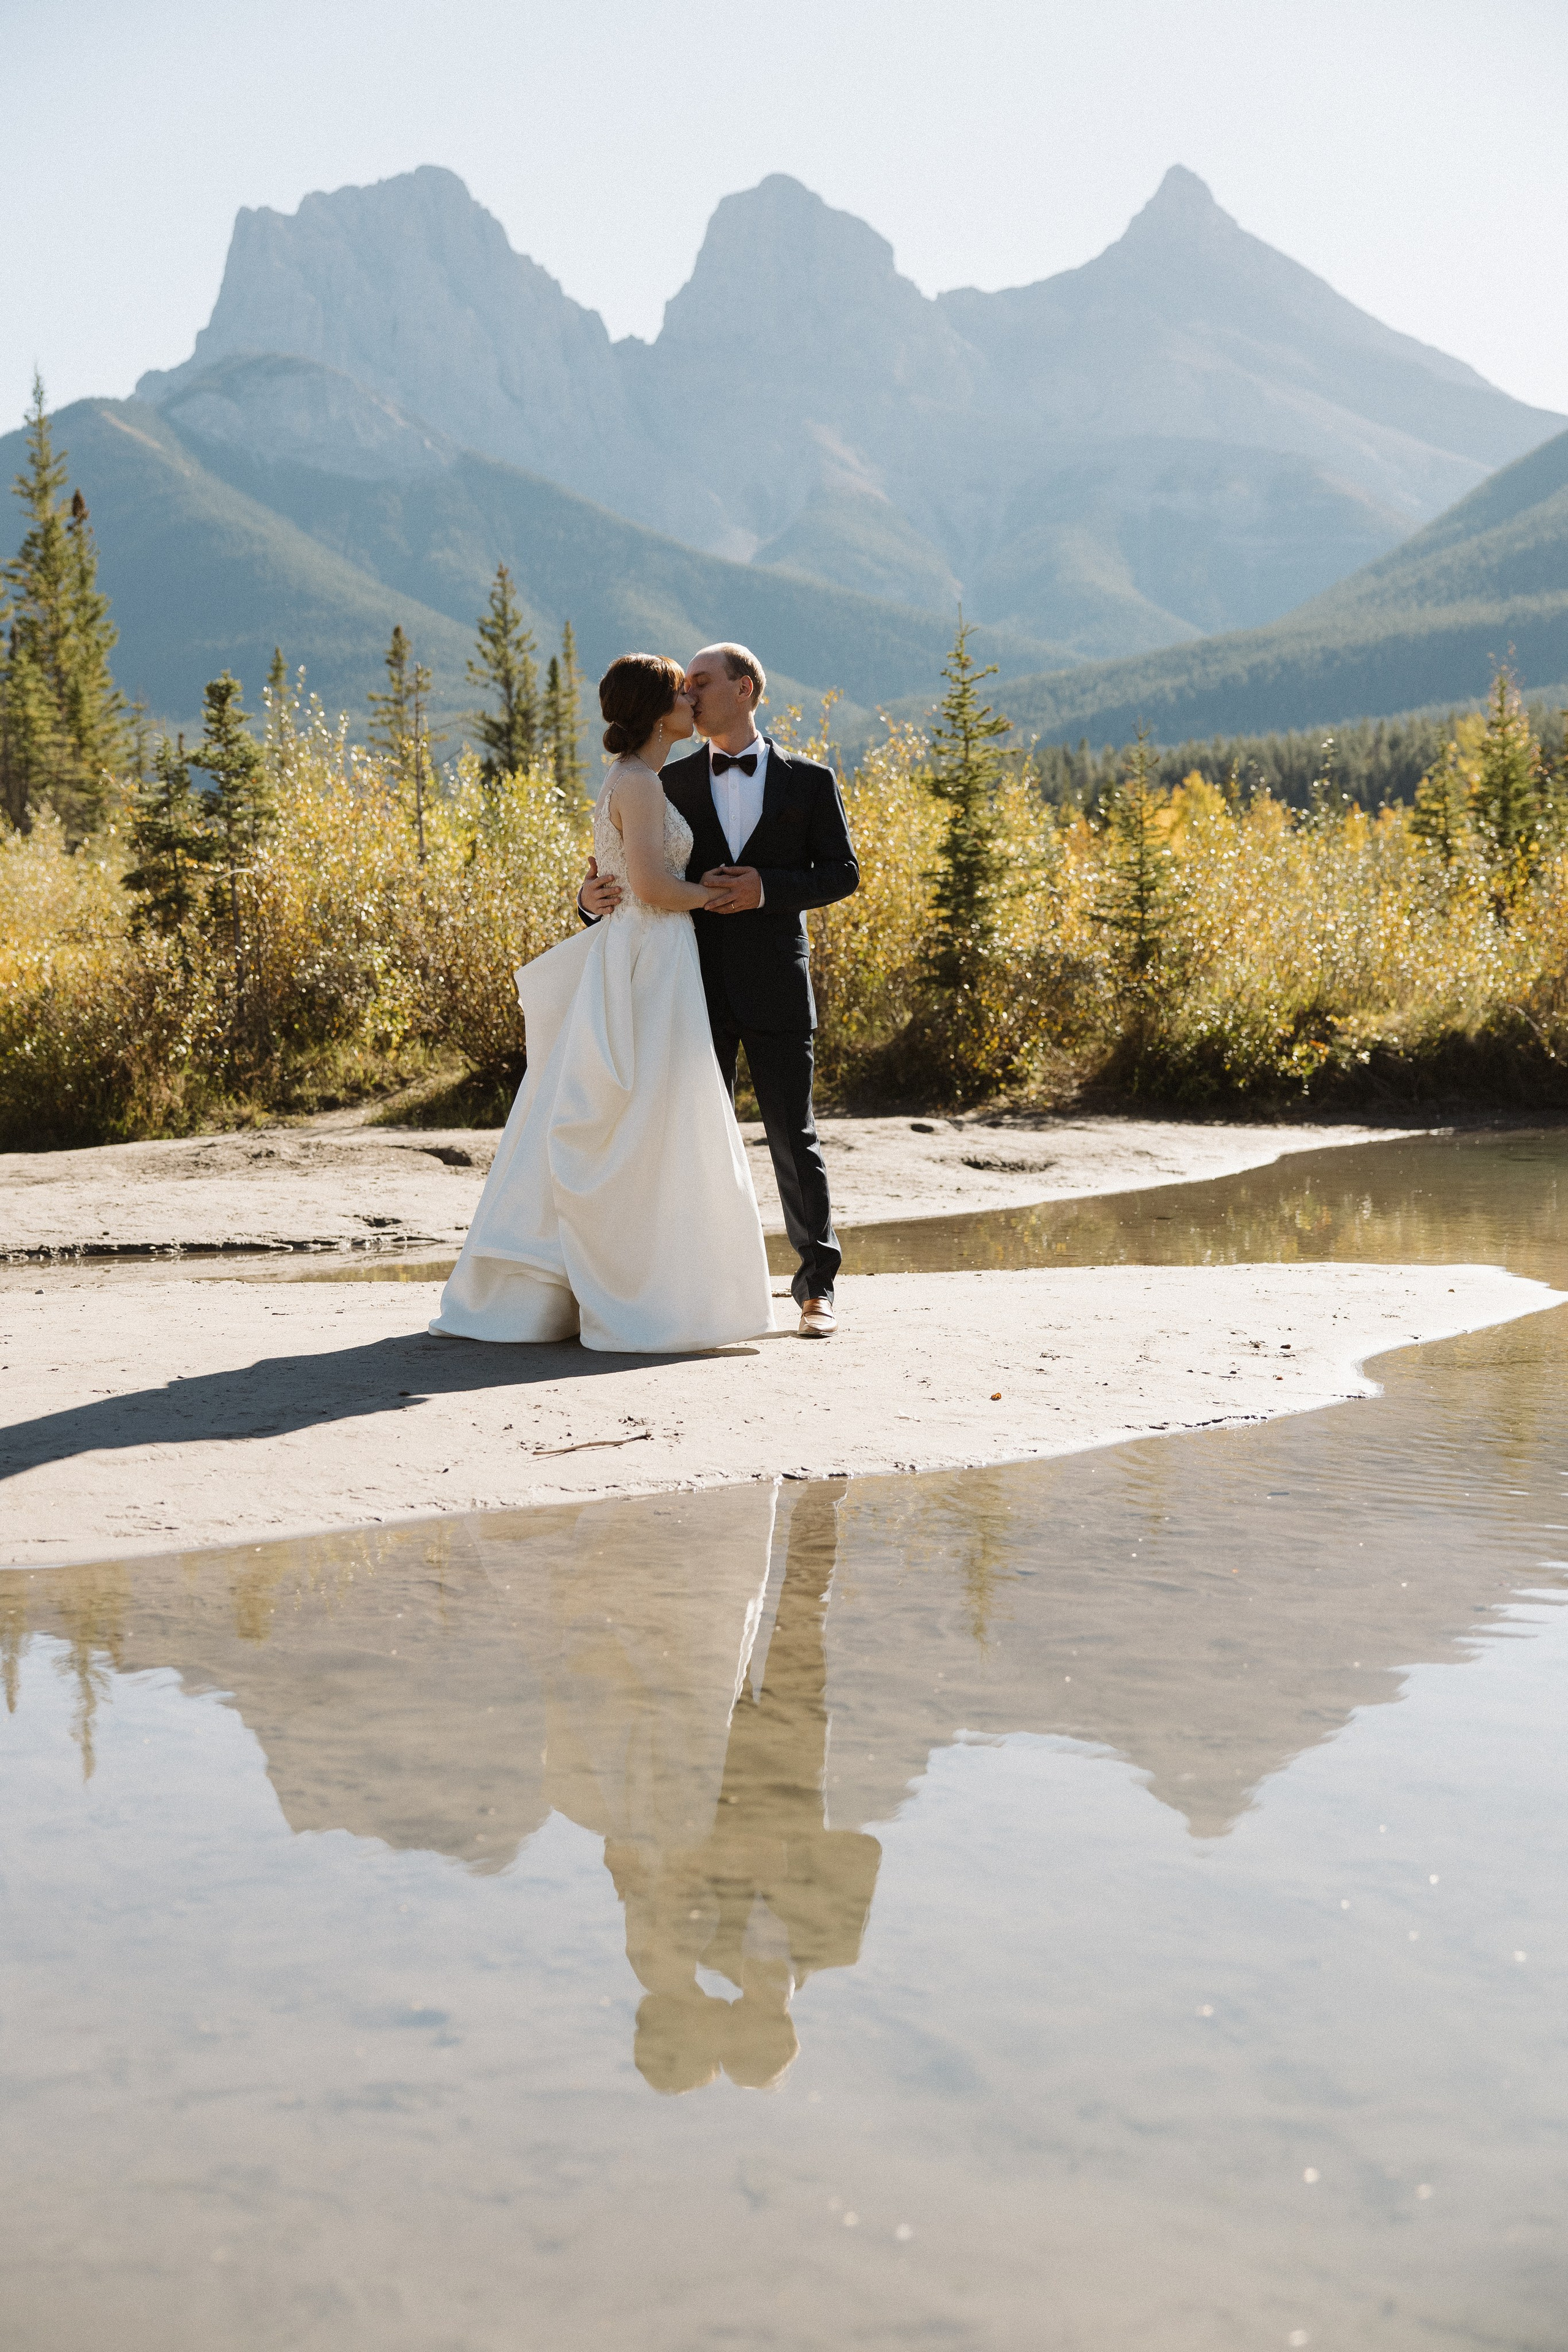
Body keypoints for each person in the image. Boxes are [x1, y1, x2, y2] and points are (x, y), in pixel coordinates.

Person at [429, 654, 773, 1354]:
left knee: (638, 1116)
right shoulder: (641, 784)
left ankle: (599, 1284)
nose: (691, 701)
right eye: (681, 692)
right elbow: (648, 886)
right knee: (649, 1117)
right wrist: (716, 893)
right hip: (650, 956)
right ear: (657, 713)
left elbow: (625, 875)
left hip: (644, 953)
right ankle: (645, 1293)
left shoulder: (634, 778)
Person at [580, 643, 858, 1338]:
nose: (690, 693)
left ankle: (817, 1288)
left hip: (775, 981)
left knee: (793, 1134)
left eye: (700, 682)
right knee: (684, 1134)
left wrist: (768, 888)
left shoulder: (810, 781)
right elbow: (627, 873)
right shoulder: (661, 781)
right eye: (683, 686)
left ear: (745, 689)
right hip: (684, 982)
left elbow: (841, 873)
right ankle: (689, 1283)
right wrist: (586, 901)